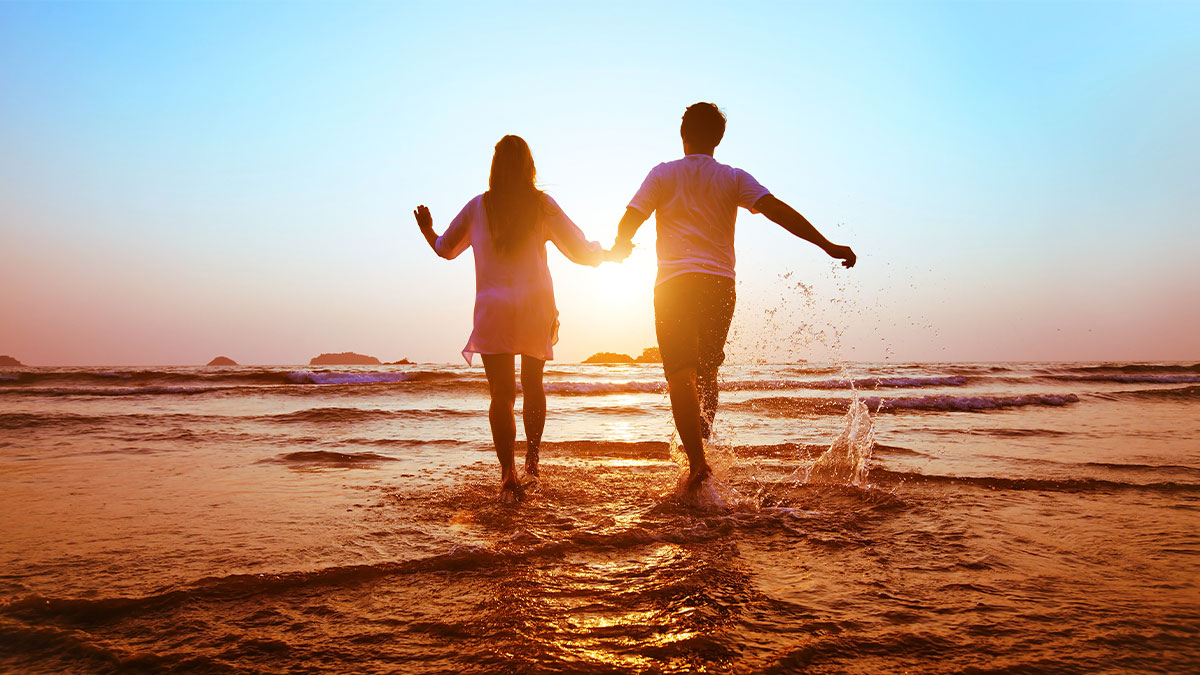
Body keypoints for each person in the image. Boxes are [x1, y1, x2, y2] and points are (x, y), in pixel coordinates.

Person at [609, 102, 856, 492]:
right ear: (718, 139)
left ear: (682, 134)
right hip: (719, 285)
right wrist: (825, 244)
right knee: (706, 370)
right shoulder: (733, 177)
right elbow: (778, 211)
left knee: (678, 374)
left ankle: (697, 463)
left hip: (672, 286)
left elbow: (631, 217)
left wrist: (621, 244)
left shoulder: (662, 174)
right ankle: (702, 447)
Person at [414, 135, 609, 501]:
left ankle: (508, 475)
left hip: (495, 310)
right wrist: (606, 253)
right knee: (533, 385)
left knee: (501, 395)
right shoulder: (542, 206)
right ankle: (532, 461)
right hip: (535, 308)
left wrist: (427, 230)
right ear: (529, 167)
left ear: (494, 167)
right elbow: (580, 251)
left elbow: (445, 249)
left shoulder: (478, 207)